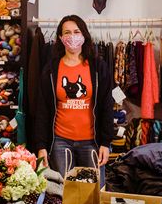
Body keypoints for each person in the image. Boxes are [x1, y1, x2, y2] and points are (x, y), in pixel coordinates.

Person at [34, 15, 114, 175]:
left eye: (77, 32)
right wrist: (41, 146)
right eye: (67, 32)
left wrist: (106, 142)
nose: (72, 37)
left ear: (84, 35)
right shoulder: (50, 69)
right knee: (64, 194)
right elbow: (42, 109)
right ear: (60, 37)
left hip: (92, 142)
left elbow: (107, 105)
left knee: (94, 193)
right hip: (60, 142)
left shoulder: (98, 67)